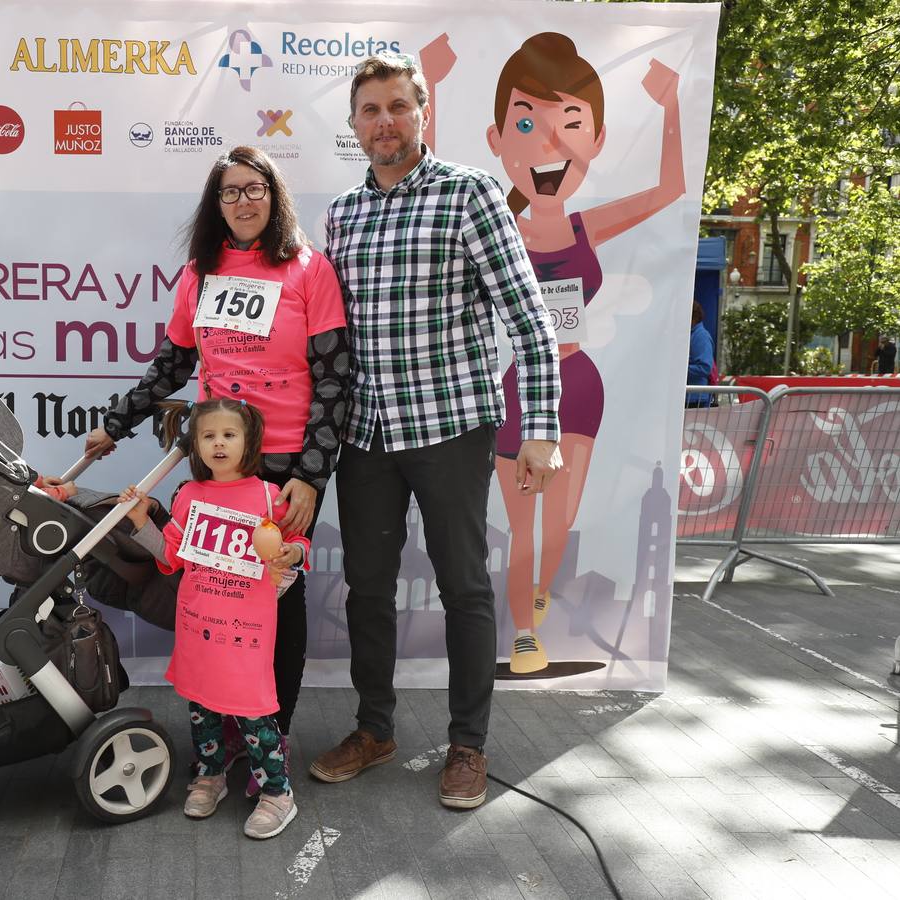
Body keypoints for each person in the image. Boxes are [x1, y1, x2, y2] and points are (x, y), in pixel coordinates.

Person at [314, 54, 561, 809]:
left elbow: (530, 318)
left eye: (397, 106)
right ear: (355, 124)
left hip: (451, 426)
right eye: (370, 110)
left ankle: (468, 745)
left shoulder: (471, 194)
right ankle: (376, 728)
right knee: (367, 591)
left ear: (423, 114)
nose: (384, 122)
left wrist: (542, 429)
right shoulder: (342, 213)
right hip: (367, 434)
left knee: (462, 587)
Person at [83, 145, 349, 786]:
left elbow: (335, 378)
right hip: (215, 470)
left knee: (277, 605)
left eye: (255, 188)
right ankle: (230, 729)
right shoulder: (200, 273)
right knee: (217, 599)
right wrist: (115, 424)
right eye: (230, 192)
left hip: (284, 471)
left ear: (275, 195)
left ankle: (272, 740)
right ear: (216, 204)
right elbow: (172, 364)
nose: (243, 201)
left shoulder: (308, 270)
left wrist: (311, 476)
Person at [479, 33, 684, 673]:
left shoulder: (584, 228)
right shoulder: (493, 225)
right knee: (521, 527)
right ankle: (522, 632)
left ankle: (537, 600)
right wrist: (428, 85)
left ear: (594, 141)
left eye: (571, 124)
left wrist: (672, 105)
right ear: (499, 141)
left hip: (580, 384)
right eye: (527, 123)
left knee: (559, 525)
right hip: (517, 390)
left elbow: (669, 189)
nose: (550, 144)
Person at [118, 398, 310, 839]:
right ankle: (211, 776)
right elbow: (170, 557)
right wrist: (140, 520)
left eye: (229, 435)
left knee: (254, 713)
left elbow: (299, 543)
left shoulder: (268, 496)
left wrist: (291, 552)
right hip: (197, 627)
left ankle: (278, 793)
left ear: (249, 441)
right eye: (208, 436)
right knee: (202, 707)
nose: (219, 444)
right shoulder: (187, 496)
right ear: (195, 445)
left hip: (247, 631)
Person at [686, 300, 714, 408]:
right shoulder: (695, 335)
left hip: (694, 398)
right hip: (692, 396)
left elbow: (705, 367)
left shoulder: (700, 336)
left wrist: (678, 371)